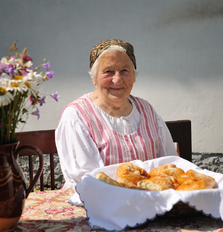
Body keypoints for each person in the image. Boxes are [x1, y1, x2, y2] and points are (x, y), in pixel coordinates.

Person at [55, 39, 177, 189]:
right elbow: (87, 180)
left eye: (125, 71)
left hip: (148, 200)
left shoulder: (147, 110)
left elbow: (168, 165)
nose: (117, 79)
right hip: (95, 203)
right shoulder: (76, 116)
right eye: (108, 72)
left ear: (133, 76)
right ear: (94, 78)